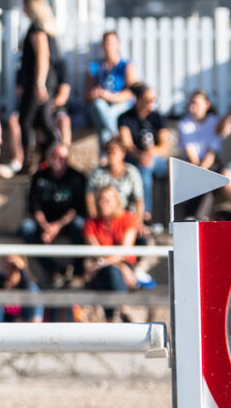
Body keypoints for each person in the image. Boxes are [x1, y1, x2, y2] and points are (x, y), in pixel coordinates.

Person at [20, 141, 86, 281]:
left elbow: (76, 208)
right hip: (44, 224)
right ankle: (53, 270)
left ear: (67, 160)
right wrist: (45, 226)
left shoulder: (77, 178)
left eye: (61, 158)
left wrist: (57, 226)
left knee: (79, 224)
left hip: (66, 223)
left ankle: (78, 273)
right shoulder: (39, 177)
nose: (57, 161)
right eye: (54, 157)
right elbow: (34, 206)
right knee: (26, 228)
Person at [7, 0, 58, 172]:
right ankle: (46, 158)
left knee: (26, 121)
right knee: (42, 120)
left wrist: (39, 83)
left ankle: (32, 160)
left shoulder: (37, 28)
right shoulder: (41, 28)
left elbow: (43, 57)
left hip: (38, 80)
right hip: (39, 80)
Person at [84, 184, 148, 314]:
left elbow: (125, 251)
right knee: (110, 272)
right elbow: (96, 252)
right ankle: (124, 310)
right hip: (106, 267)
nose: (103, 204)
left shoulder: (128, 218)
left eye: (107, 200)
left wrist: (104, 263)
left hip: (112, 265)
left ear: (116, 202)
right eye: (100, 200)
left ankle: (113, 315)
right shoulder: (91, 224)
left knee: (111, 273)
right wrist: (118, 266)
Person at [82, 30, 134, 143]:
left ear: (118, 45)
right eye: (107, 43)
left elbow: (131, 92)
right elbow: (87, 95)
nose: (109, 46)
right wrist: (97, 94)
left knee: (106, 117)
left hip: (120, 104)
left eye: (112, 43)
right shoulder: (94, 67)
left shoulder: (126, 65)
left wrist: (110, 96)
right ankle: (115, 134)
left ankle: (104, 158)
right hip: (101, 105)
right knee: (100, 106)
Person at [89, 130, 148, 226]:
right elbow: (89, 195)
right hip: (103, 219)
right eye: (108, 152)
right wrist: (94, 219)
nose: (110, 154)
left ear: (122, 153)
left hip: (126, 219)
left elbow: (139, 200)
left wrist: (139, 223)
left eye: (113, 151)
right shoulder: (98, 173)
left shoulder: (131, 172)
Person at [175, 89, 221, 172]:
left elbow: (212, 152)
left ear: (207, 105)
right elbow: (189, 151)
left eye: (196, 104)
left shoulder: (215, 122)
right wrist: (198, 172)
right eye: (191, 103)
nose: (191, 108)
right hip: (190, 165)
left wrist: (202, 170)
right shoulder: (183, 123)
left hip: (210, 165)